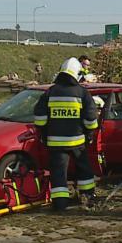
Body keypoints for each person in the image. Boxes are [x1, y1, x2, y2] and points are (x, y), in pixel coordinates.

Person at [33, 57, 99, 211]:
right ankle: (87, 196)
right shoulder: (82, 92)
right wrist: (89, 133)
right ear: (76, 74)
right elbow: (91, 118)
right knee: (84, 168)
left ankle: (60, 203)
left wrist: (44, 132)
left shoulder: (50, 92)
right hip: (77, 142)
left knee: (58, 173)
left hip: (56, 143)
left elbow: (40, 117)